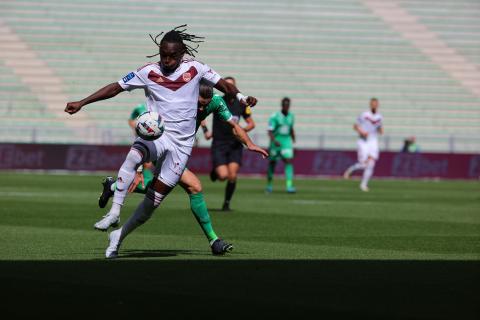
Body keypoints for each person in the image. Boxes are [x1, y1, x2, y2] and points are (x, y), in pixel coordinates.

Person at [65, 25, 258, 258]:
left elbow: (224, 86)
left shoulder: (196, 69)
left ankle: (118, 236)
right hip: (158, 135)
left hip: (182, 146)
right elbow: (115, 87)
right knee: (135, 153)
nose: (166, 60)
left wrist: (242, 97)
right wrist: (82, 102)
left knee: (151, 203)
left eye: (172, 56)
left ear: (182, 53)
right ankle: (114, 211)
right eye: (163, 55)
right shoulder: (148, 72)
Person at [96, 83, 268, 253]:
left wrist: (250, 144)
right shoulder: (177, 100)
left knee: (160, 189)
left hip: (178, 152)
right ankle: (214, 240)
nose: (202, 108)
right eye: (199, 104)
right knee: (192, 188)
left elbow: (235, 127)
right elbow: (150, 133)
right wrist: (139, 169)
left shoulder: (216, 102)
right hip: (164, 146)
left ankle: (113, 188)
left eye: (205, 105)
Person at [208, 76, 256, 211]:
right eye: (226, 86)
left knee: (232, 175)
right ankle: (216, 172)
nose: (228, 89)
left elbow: (251, 124)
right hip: (219, 142)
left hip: (235, 144)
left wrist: (240, 130)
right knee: (223, 176)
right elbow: (202, 115)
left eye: (231, 86)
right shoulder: (217, 101)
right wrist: (206, 130)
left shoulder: (241, 104)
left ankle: (226, 203)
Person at [343, 97, 384, 192]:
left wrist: (381, 130)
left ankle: (363, 185)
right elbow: (355, 126)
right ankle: (352, 169)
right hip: (363, 141)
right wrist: (362, 132)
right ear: (370, 105)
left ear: (378, 105)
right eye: (373, 103)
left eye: (376, 104)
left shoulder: (380, 117)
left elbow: (379, 127)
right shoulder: (364, 115)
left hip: (373, 140)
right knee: (364, 164)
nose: (374, 105)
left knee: (371, 164)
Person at [265, 97, 296, 193]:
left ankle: (289, 186)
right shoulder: (274, 116)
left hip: (286, 142)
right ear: (282, 105)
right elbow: (270, 131)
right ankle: (269, 185)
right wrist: (274, 140)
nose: (286, 106)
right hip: (276, 142)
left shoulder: (291, 116)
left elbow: (291, 128)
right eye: (284, 104)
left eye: (288, 105)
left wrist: (293, 139)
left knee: (288, 161)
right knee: (272, 163)